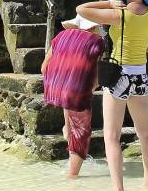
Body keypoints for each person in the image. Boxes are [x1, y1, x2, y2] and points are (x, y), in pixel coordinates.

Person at [76, 0, 148, 191]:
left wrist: (109, 4)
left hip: (118, 75)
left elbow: (81, 10)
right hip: (140, 76)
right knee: (145, 133)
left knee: (112, 136)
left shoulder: (120, 14)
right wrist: (140, 46)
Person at [41, 14, 105, 179]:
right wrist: (91, 88)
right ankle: (72, 177)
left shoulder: (60, 36)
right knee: (81, 132)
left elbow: (43, 68)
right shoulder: (97, 42)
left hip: (53, 87)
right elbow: (98, 74)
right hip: (75, 91)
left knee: (70, 103)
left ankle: (67, 129)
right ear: (94, 26)